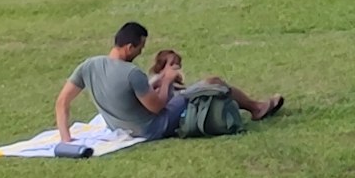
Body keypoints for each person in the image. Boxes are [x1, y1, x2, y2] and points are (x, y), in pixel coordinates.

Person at [55, 21, 284, 144]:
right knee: (212, 82)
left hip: (120, 127)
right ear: (129, 47)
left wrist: (66, 140)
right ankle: (257, 108)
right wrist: (166, 80)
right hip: (153, 128)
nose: (142, 51)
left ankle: (255, 107)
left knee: (180, 88)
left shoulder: (89, 65)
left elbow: (62, 101)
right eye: (140, 47)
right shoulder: (130, 73)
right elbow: (158, 107)